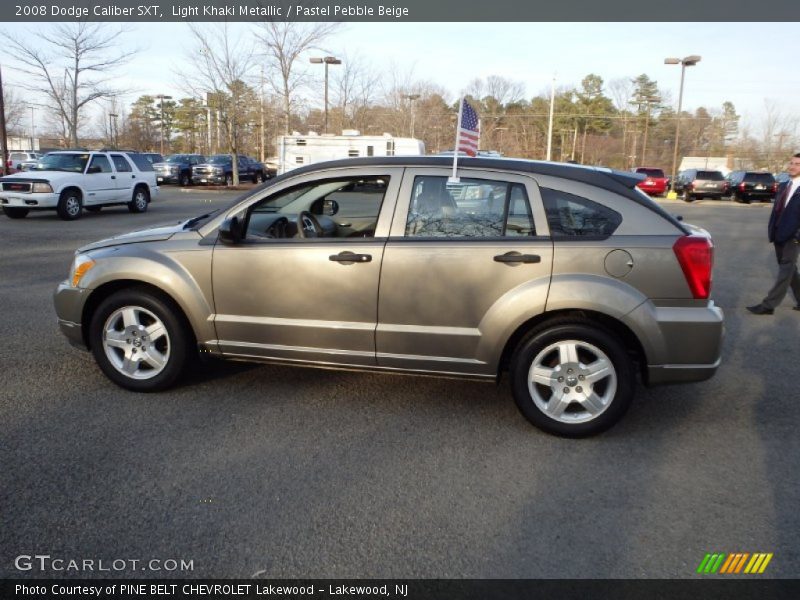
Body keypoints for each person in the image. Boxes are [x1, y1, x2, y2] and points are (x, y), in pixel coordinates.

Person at [747, 153, 800, 315]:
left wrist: (797, 236)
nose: (792, 166)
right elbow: (778, 210)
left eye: (797, 164)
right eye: (791, 163)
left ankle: (768, 305)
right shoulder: (784, 185)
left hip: (793, 237)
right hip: (778, 233)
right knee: (789, 270)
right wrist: (773, 230)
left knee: (785, 270)